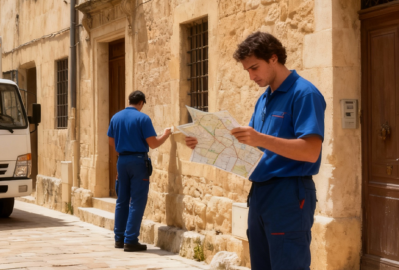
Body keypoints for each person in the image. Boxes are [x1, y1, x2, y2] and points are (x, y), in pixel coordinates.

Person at [186, 32, 324, 269]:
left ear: (273, 58)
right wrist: (207, 143)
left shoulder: (304, 93)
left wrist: (261, 138)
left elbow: (311, 151)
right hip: (259, 194)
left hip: (289, 194)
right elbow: (251, 146)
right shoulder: (263, 100)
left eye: (254, 68)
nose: (251, 76)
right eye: (247, 71)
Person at [107, 90, 172, 252]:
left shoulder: (116, 117)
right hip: (137, 161)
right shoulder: (143, 118)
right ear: (141, 103)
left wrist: (122, 156)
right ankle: (130, 239)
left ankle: (119, 238)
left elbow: (110, 141)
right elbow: (154, 144)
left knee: (122, 200)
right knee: (137, 200)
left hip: (121, 160)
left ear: (129, 100)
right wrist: (165, 135)